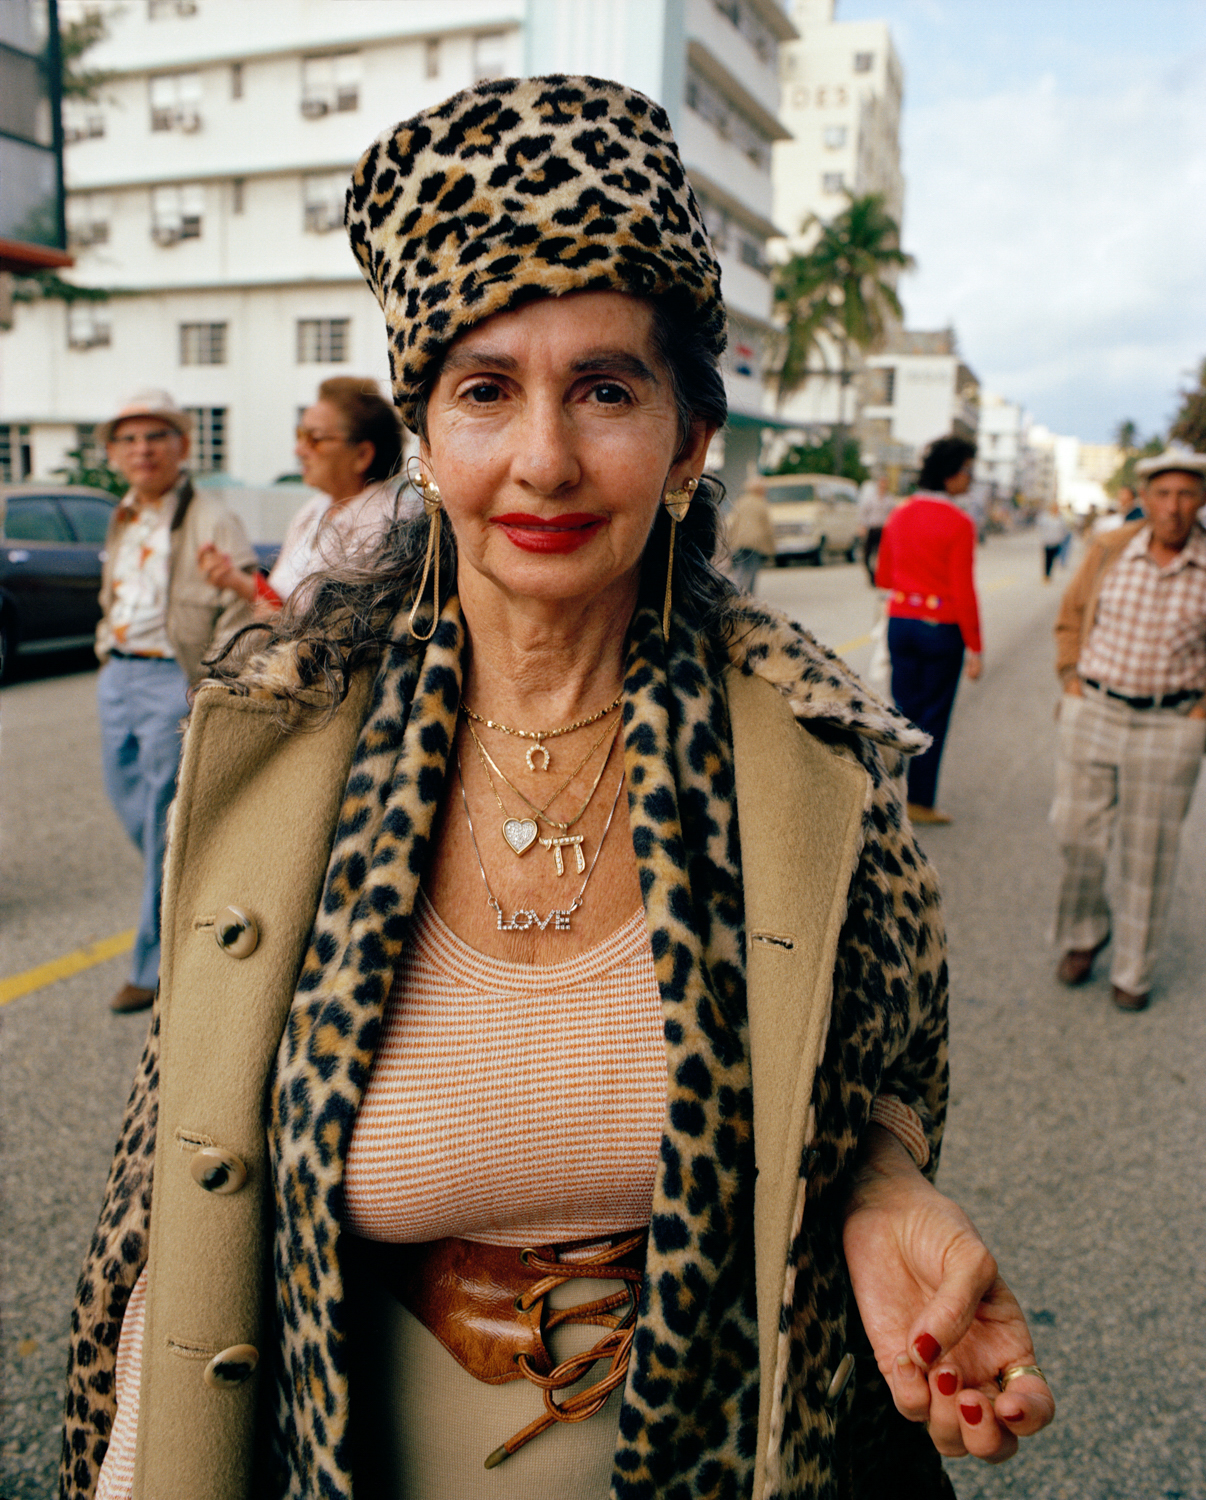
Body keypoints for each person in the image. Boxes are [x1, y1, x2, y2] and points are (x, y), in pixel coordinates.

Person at [64, 78, 1052, 1500]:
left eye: (605, 389)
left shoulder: (814, 766)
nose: (543, 458)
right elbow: (191, 1194)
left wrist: (881, 1188)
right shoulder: (284, 759)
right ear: (424, 436)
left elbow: (879, 1081)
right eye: (484, 391)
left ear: (689, 443)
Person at [94, 390, 255, 1014]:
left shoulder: (212, 515)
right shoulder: (123, 514)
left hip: (174, 678)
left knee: (164, 819)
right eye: (129, 440)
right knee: (133, 807)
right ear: (113, 454)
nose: (142, 450)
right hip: (119, 674)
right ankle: (191, 887)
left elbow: (242, 603)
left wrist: (209, 680)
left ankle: (149, 968)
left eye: (155, 437)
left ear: (182, 447)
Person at [1050, 446, 1206, 1011]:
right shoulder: (1110, 549)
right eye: (1163, 494)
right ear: (1143, 499)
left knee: (1150, 853)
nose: (1174, 507)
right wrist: (1070, 680)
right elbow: (1069, 616)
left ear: (1201, 501)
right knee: (1075, 835)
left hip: (1172, 723)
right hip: (1095, 708)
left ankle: (1134, 971)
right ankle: (1083, 934)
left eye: (1187, 494)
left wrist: (1200, 714)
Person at [197, 376, 405, 613]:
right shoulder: (316, 509)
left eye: (314, 439)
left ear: (362, 455)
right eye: (300, 435)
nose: (299, 450)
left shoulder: (388, 525)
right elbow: (280, 602)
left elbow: (331, 630)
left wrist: (272, 620)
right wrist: (232, 578)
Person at [875, 436, 983, 825]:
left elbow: (883, 574)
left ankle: (890, 796)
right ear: (951, 474)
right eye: (969, 470)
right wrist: (975, 646)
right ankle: (920, 801)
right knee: (933, 717)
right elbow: (963, 590)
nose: (971, 478)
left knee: (904, 712)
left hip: (900, 621)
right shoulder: (959, 522)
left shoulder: (899, 514)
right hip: (941, 627)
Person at [724, 474, 775, 592]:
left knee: (740, 568)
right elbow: (767, 527)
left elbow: (733, 522)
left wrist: (729, 541)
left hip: (739, 541)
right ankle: (748, 595)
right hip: (755, 542)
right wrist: (772, 549)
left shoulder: (740, 501)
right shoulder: (761, 503)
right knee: (751, 570)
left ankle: (736, 593)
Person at [858, 472, 896, 584]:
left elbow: (893, 515)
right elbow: (864, 512)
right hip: (872, 528)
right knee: (867, 555)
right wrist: (862, 526)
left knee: (880, 556)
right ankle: (871, 575)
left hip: (883, 530)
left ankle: (880, 577)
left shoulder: (889, 500)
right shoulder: (871, 498)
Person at [1036, 502, 1070, 582]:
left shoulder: (1060, 519)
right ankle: (1046, 575)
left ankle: (1050, 573)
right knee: (1047, 558)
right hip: (1048, 541)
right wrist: (1042, 538)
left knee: (1054, 559)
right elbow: (1040, 528)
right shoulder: (1045, 518)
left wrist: (1061, 538)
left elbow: (1064, 530)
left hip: (1057, 542)